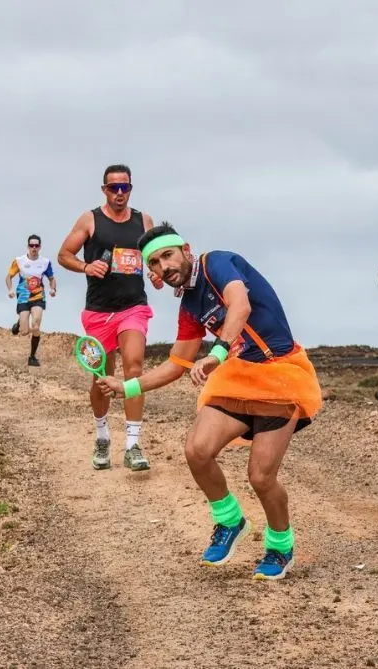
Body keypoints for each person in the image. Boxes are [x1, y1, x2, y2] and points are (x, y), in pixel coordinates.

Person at [97, 223, 323, 580]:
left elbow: (241, 305)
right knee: (196, 450)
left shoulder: (215, 263)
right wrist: (127, 387)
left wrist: (216, 353)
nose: (164, 266)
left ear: (185, 249)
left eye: (167, 255)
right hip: (238, 378)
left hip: (280, 376)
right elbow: (176, 364)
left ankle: (280, 544)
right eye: (154, 263)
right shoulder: (188, 305)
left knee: (261, 477)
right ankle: (229, 521)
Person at [57, 164, 163, 472]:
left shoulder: (144, 221)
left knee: (134, 368)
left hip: (134, 307)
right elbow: (64, 254)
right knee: (103, 377)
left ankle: (132, 444)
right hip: (99, 312)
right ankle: (102, 436)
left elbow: (152, 259)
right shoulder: (90, 219)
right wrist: (86, 267)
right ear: (104, 189)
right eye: (113, 188)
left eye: (125, 187)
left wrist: (156, 276)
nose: (119, 193)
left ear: (131, 188)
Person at [6, 234, 56, 367]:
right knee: (24, 332)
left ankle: (32, 357)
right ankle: (19, 324)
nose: (34, 248)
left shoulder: (45, 262)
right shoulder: (19, 261)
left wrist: (53, 289)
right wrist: (10, 289)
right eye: (31, 245)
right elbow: (9, 277)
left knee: (35, 326)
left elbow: (51, 278)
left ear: (40, 247)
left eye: (36, 245)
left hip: (38, 297)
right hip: (23, 296)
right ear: (28, 246)